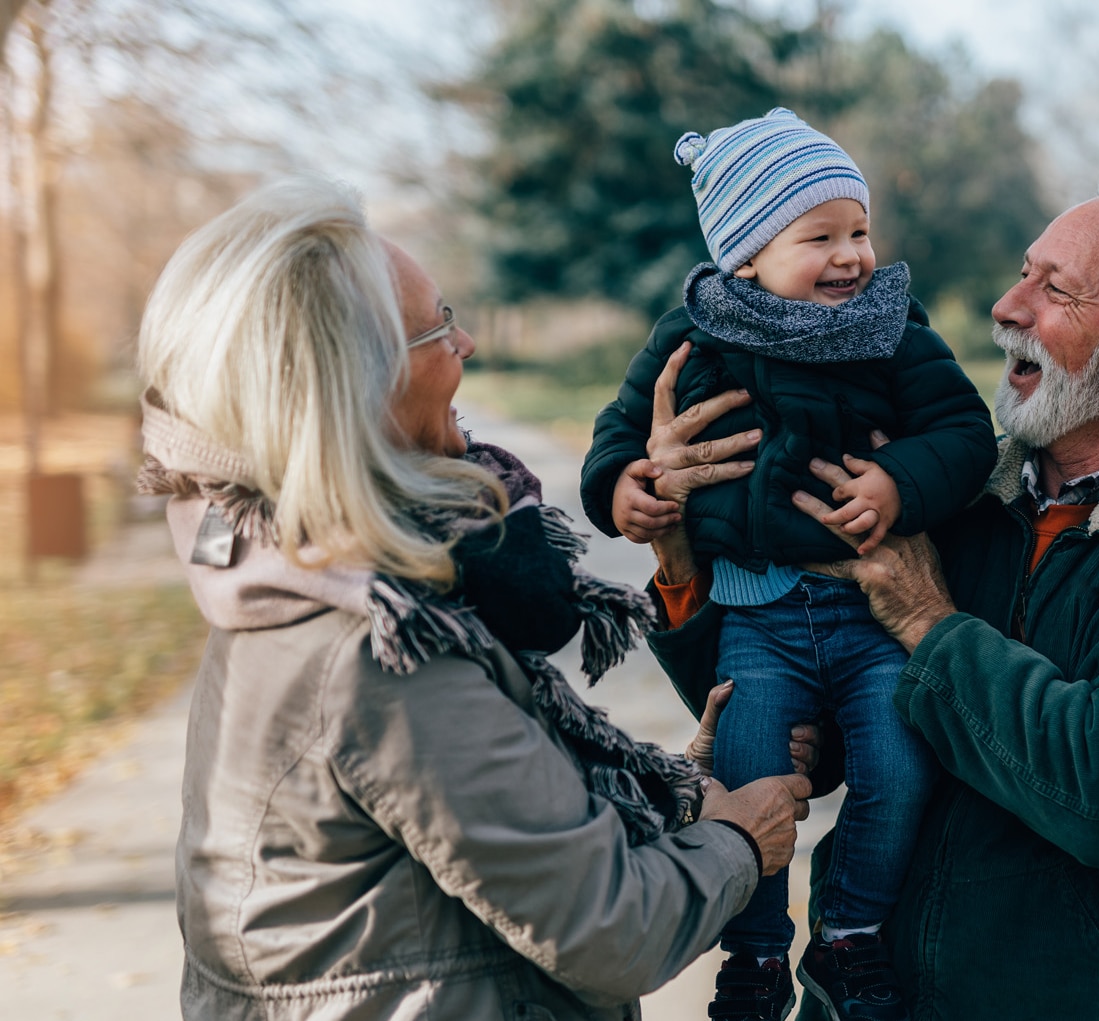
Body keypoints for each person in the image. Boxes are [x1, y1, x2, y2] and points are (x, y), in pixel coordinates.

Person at [640, 169, 1099, 1019]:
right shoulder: (940, 493)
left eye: (1056, 291)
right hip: (864, 1001)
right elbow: (796, 692)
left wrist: (932, 623)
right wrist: (680, 548)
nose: (1007, 306)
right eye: (1024, 271)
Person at [135, 176, 814, 1021]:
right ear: (359, 383)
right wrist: (739, 839)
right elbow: (614, 925)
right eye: (437, 328)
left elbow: (494, 832)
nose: (468, 342)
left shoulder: (287, 574)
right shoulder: (380, 652)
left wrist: (676, 788)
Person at [579, 108, 997, 1021]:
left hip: (871, 616)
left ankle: (848, 934)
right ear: (746, 255)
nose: (852, 255)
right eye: (820, 236)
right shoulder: (693, 336)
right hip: (756, 618)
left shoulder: (895, 330)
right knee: (751, 777)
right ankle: (757, 953)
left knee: (899, 763)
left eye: (860, 230)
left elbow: (965, 434)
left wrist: (896, 480)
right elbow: (616, 434)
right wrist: (626, 489)